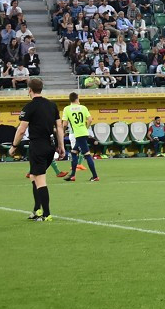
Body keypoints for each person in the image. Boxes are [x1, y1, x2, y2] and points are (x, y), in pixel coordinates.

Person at [11, 78, 65, 221]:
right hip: (50, 145)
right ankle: (37, 210)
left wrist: (14, 146)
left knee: (40, 180)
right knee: (34, 177)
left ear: (29, 90)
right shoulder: (52, 105)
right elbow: (59, 127)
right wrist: (61, 146)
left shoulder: (29, 107)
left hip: (37, 146)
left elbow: (21, 130)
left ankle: (46, 214)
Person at [61, 92, 99, 182]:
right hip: (83, 133)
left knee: (87, 154)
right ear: (77, 99)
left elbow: (65, 123)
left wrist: (62, 131)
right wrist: (86, 127)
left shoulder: (67, 109)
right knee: (74, 152)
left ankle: (95, 176)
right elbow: (90, 119)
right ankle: (73, 175)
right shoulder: (83, 107)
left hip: (78, 134)